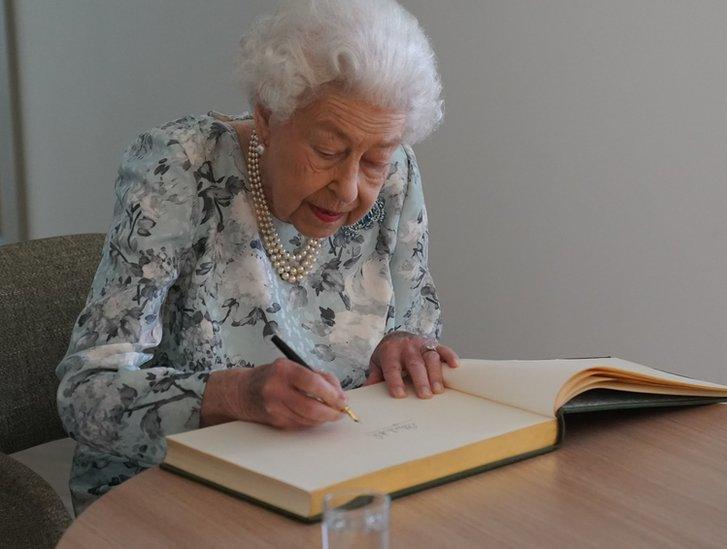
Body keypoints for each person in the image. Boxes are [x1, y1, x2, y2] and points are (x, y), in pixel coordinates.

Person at [55, 0, 457, 514]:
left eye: (375, 159)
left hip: (335, 479)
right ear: (268, 117)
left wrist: (404, 346)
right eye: (329, 151)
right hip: (174, 489)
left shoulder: (396, 172)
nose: (349, 188)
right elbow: (86, 393)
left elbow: (415, 324)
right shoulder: (179, 168)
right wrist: (237, 395)